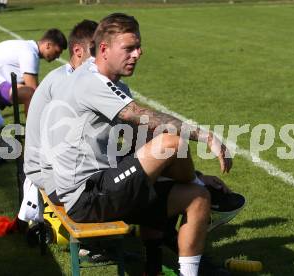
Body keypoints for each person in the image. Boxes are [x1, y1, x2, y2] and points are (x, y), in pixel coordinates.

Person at [42, 13, 233, 276]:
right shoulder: (91, 82)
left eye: (138, 46)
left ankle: (185, 270)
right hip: (86, 196)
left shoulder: (97, 76)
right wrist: (207, 137)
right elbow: (147, 120)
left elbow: (138, 137)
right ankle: (199, 186)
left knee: (196, 198)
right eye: (129, 48)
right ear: (105, 49)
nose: (138, 53)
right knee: (170, 142)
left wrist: (196, 177)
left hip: (105, 184)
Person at [23, 19, 97, 196]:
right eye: (97, 51)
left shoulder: (67, 76)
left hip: (51, 168)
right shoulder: (65, 83)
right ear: (78, 51)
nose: (103, 57)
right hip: (50, 175)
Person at [0, 28, 67, 115]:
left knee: (32, 93)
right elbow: (34, 90)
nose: (58, 56)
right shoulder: (30, 53)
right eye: (57, 52)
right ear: (48, 45)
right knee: (30, 94)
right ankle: (32, 133)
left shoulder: (28, 47)